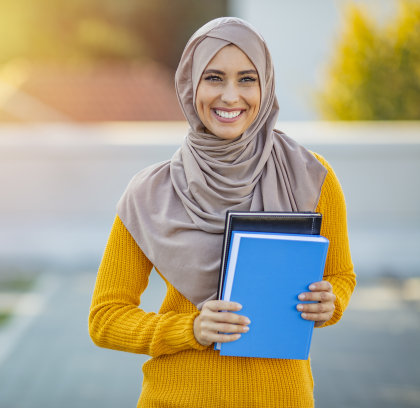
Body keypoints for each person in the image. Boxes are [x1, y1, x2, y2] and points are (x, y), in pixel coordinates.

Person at [88, 17, 356, 408]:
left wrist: (332, 303)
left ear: (265, 85)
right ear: (189, 84)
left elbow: (340, 275)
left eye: (247, 79)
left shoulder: (310, 177)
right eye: (214, 77)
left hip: (281, 399)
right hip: (176, 399)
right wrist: (190, 328)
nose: (231, 96)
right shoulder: (150, 193)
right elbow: (105, 318)